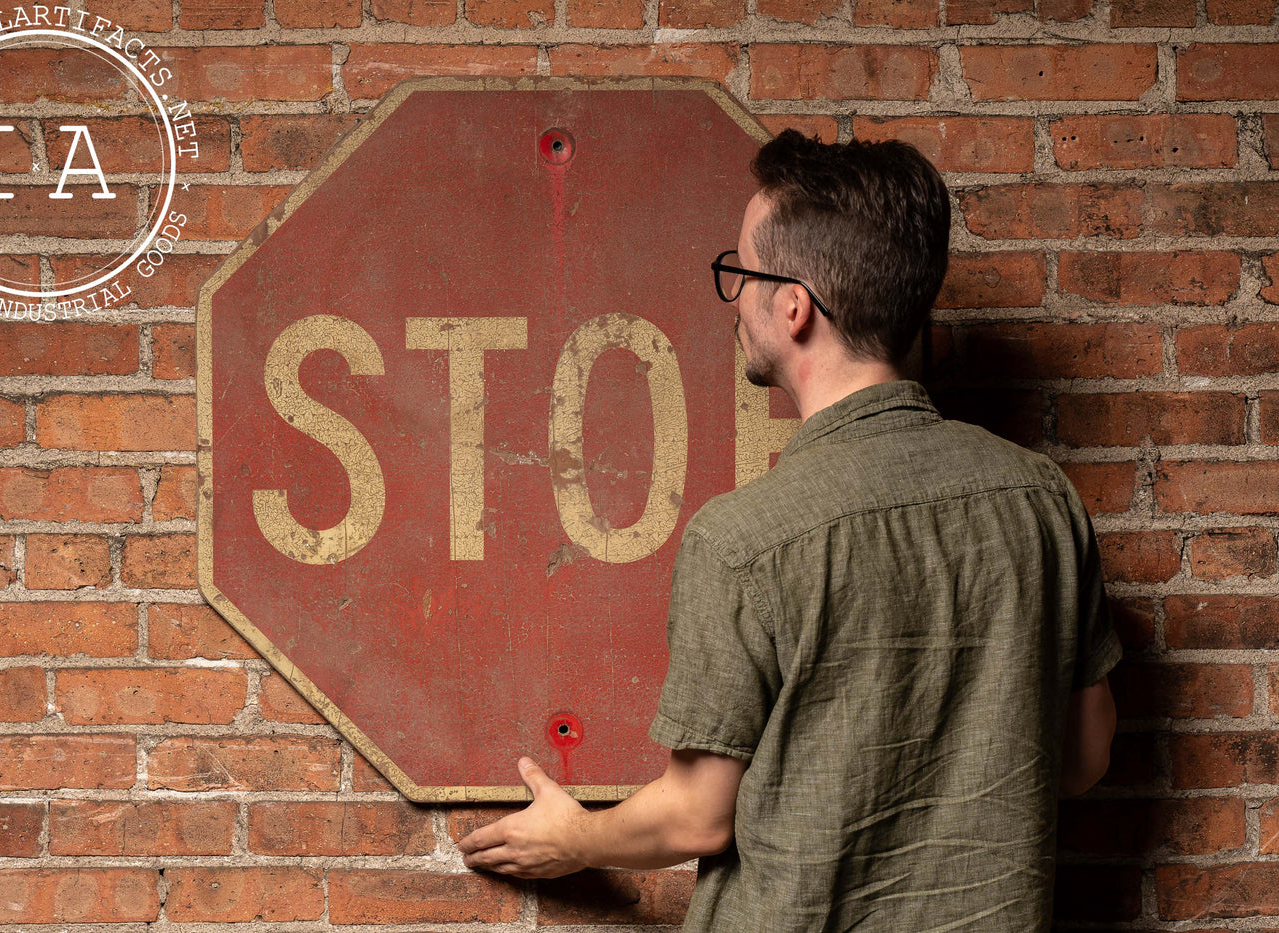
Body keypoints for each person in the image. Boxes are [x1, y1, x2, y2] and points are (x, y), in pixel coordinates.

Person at [458, 130, 1121, 932]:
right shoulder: (1043, 502)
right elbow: (1083, 759)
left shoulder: (744, 540)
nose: (734, 299)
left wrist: (576, 837)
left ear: (794, 305)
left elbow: (697, 817)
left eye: (739, 274)